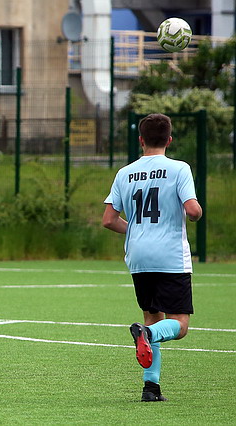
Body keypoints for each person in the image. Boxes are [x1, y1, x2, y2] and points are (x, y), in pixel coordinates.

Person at [102, 113, 203, 402]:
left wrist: (136, 229)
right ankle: (146, 334)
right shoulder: (179, 169)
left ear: (141, 140)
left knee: (152, 316)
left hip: (139, 256)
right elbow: (193, 210)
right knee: (179, 325)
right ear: (169, 140)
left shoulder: (125, 173)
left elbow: (109, 219)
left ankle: (151, 388)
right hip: (169, 256)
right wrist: (196, 213)